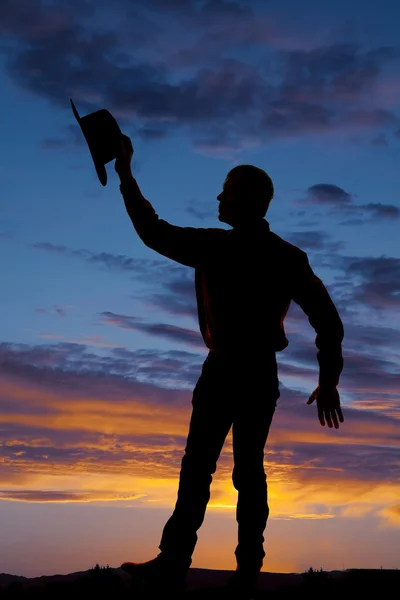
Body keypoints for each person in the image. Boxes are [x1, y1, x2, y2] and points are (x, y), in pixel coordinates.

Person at [116, 135, 344, 597]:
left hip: (232, 371)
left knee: (213, 470)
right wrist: (328, 381)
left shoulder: (221, 248)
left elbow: (153, 230)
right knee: (232, 470)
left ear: (248, 200)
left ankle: (190, 565)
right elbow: (329, 324)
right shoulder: (281, 255)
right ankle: (229, 570)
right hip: (246, 373)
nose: (218, 197)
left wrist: (125, 174)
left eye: (227, 190)